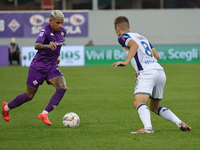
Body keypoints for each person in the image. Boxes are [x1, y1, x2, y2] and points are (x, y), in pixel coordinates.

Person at [112, 16, 191, 133]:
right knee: (155, 107)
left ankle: (148, 128)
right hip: (159, 71)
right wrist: (141, 70)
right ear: (129, 27)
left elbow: (134, 46)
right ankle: (180, 123)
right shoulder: (142, 37)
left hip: (148, 72)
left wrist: (125, 62)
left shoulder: (123, 37)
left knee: (138, 102)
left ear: (117, 28)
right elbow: (156, 55)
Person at [2, 10, 67, 126]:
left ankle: (44, 113)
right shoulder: (44, 31)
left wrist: (58, 58)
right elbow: (36, 45)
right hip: (38, 67)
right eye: (57, 23)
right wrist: (48, 46)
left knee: (62, 87)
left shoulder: (63, 32)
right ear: (50, 21)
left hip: (51, 67)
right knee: (29, 95)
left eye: (61, 23)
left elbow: (59, 46)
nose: (60, 25)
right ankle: (7, 107)